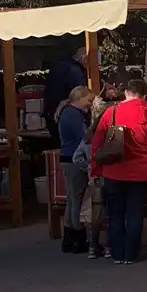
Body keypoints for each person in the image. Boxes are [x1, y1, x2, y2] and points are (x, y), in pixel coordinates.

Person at [90, 78, 147, 264]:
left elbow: (97, 141)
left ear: (126, 93)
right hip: (140, 171)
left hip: (113, 170)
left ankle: (117, 253)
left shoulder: (111, 111)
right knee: (135, 213)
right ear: (144, 95)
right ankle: (131, 254)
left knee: (115, 213)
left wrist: (95, 167)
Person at [57, 86, 96, 255]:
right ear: (79, 98)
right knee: (77, 200)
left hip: (67, 158)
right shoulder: (73, 114)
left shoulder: (66, 112)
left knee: (72, 200)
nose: (90, 104)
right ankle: (78, 239)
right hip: (74, 159)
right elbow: (84, 137)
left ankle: (68, 239)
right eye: (89, 100)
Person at [44, 47, 87, 137]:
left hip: (51, 113)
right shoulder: (74, 70)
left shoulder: (59, 65)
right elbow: (80, 94)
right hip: (65, 114)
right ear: (83, 58)